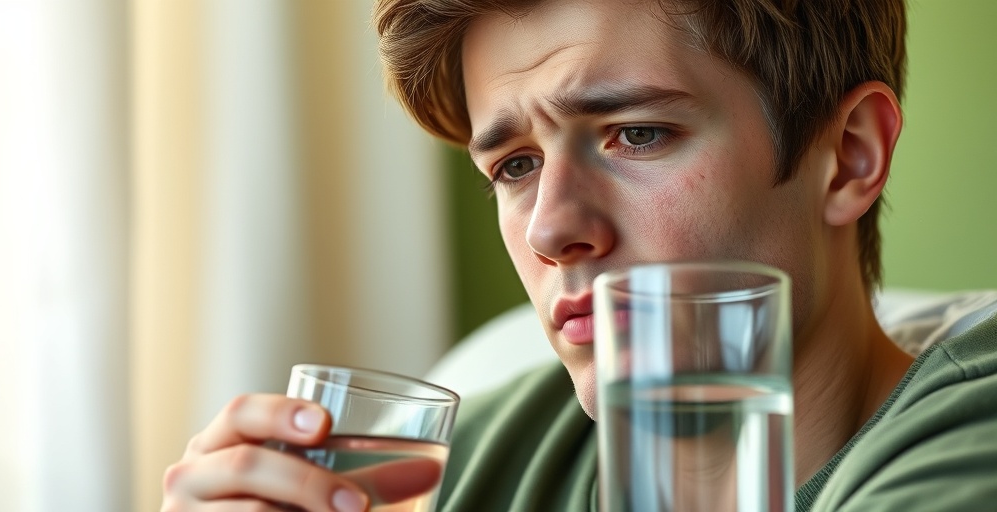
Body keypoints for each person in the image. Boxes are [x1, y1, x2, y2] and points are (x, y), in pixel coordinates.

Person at [160, 0, 997, 510]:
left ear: (848, 155)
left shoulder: (969, 445)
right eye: (515, 165)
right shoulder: (449, 462)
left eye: (636, 134)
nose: (549, 228)